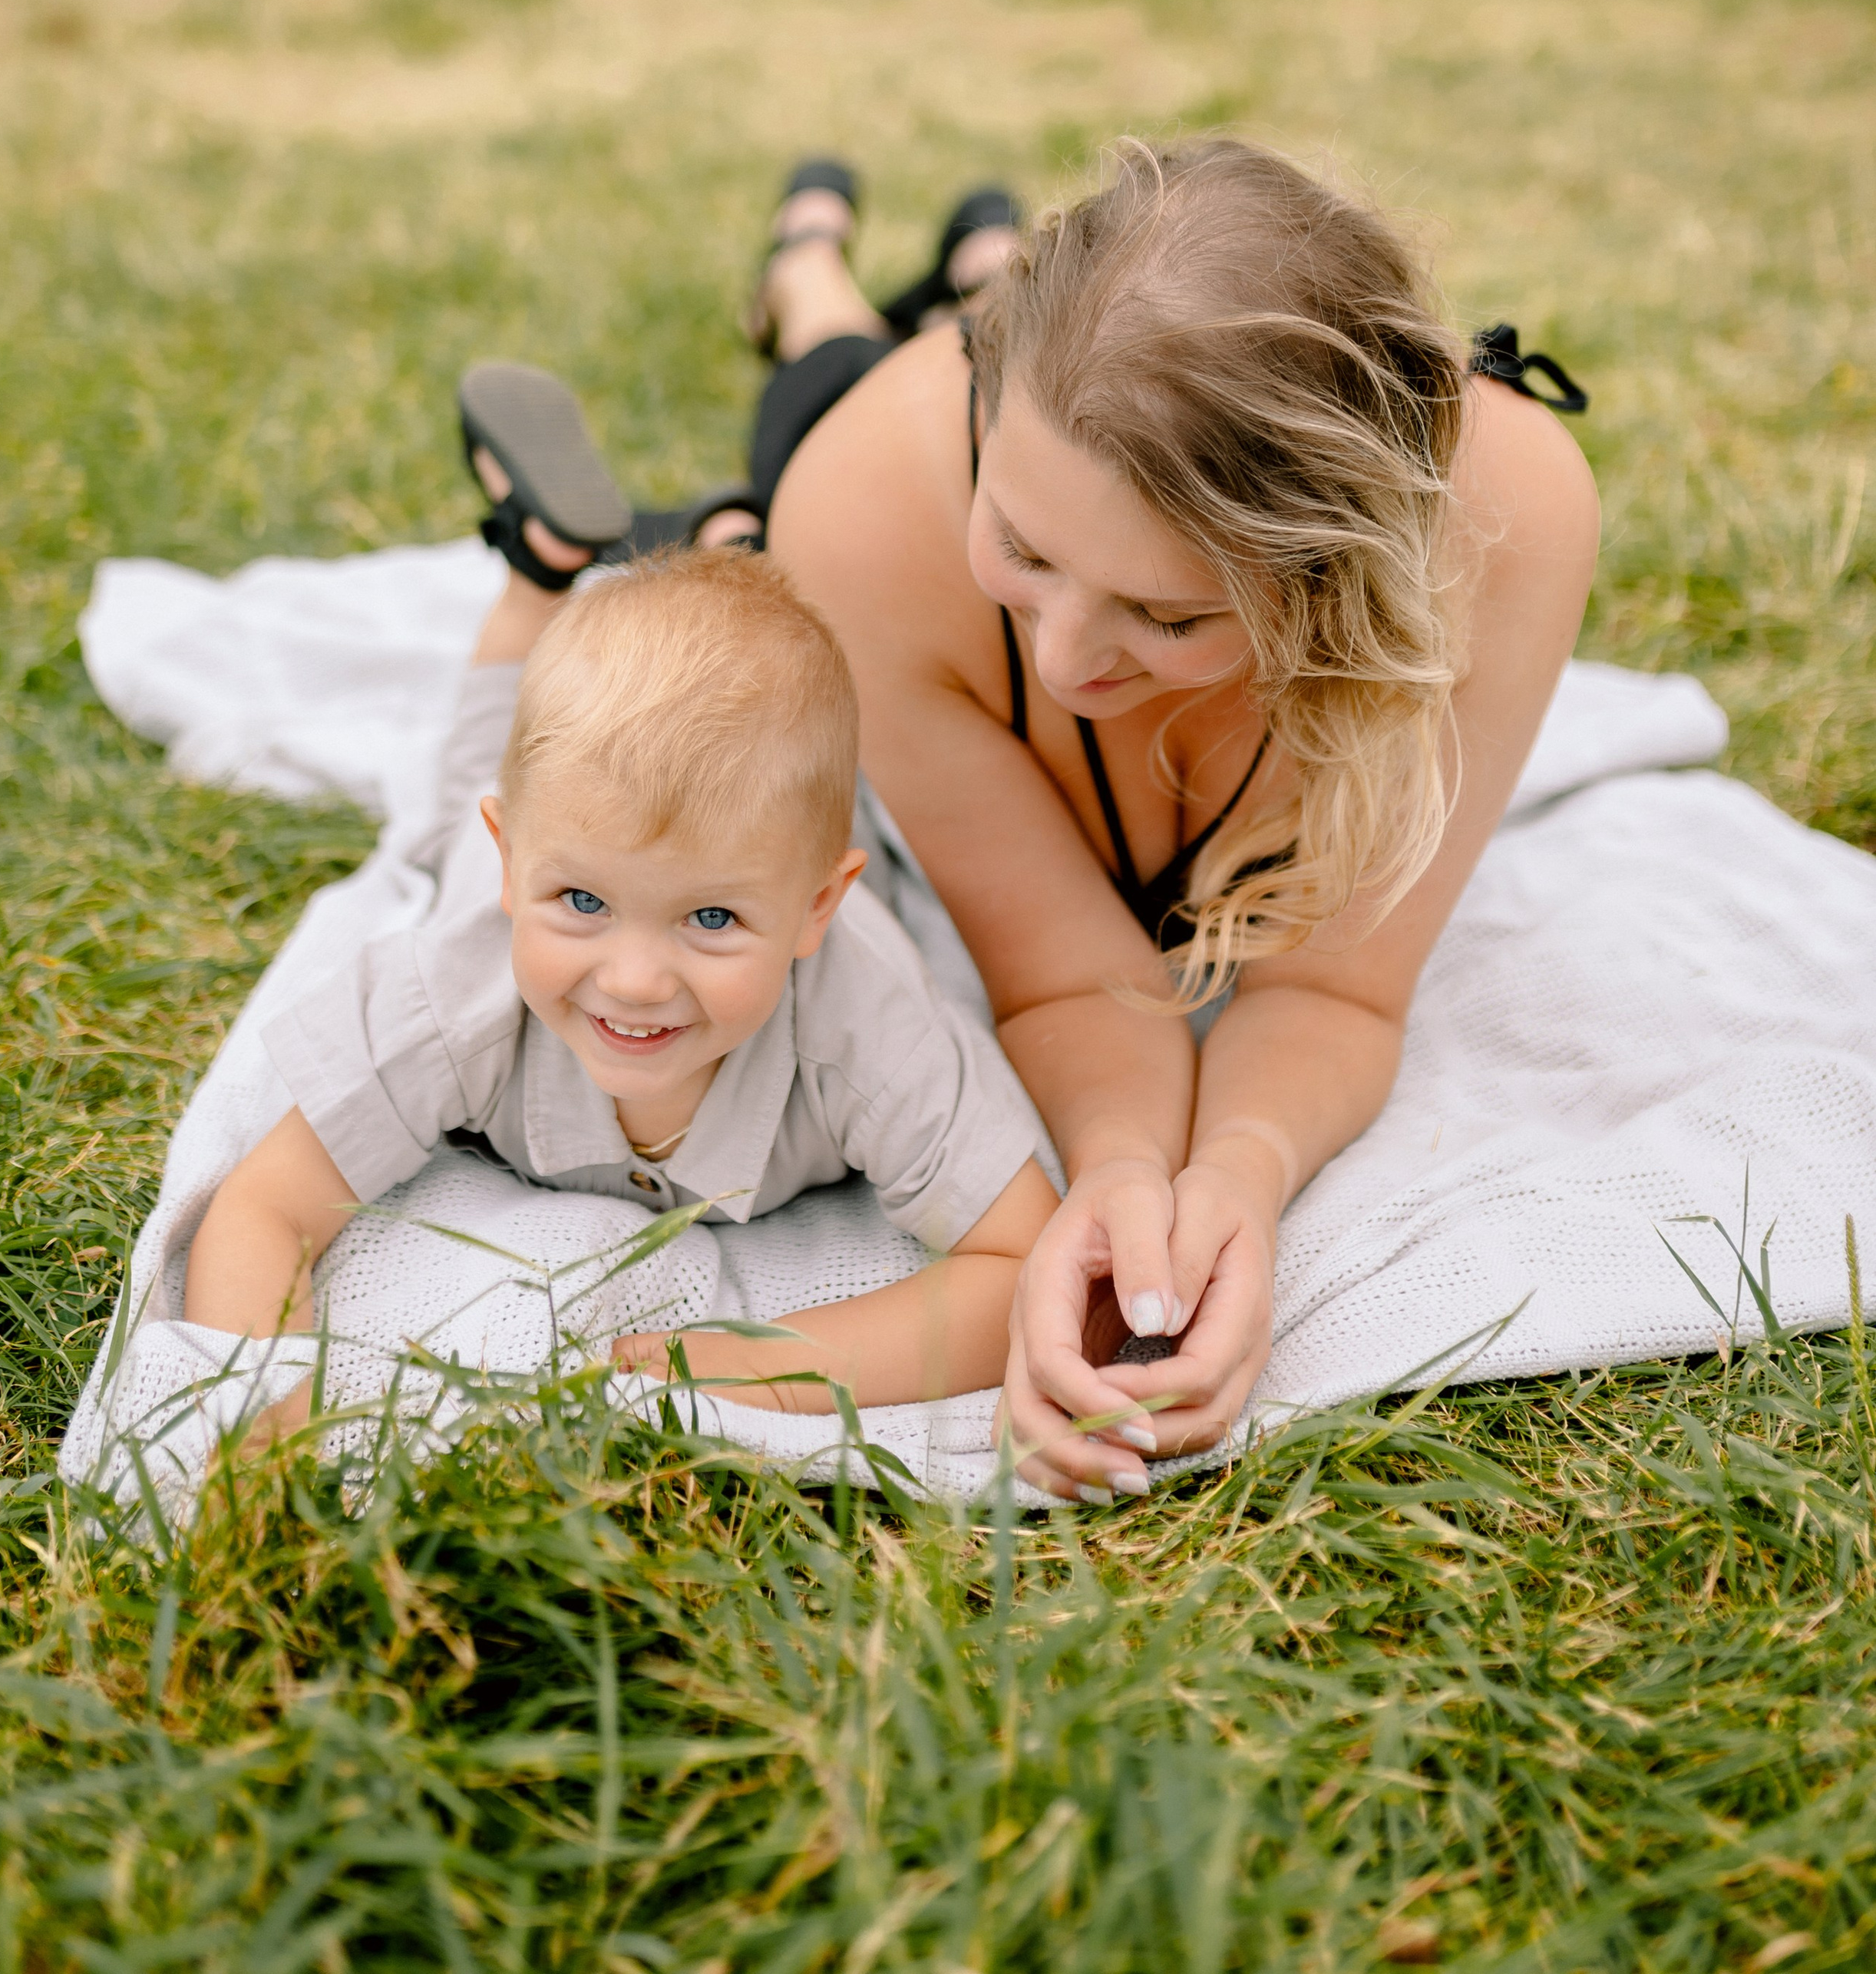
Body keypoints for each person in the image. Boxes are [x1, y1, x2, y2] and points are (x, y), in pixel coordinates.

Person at [429, 135, 1598, 1503]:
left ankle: (949, 265)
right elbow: (1065, 975)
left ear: (1344, 576)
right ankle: (812, 269)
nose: (1061, 666)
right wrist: (1112, 1171)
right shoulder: (876, 509)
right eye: (1027, 555)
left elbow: (1336, 990)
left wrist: (1234, 1179)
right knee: (793, 455)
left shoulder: (1508, 523)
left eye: (1168, 615)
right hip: (865, 452)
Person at [185, 548, 1060, 1420]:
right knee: (459, 791)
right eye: (582, 901)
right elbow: (267, 1204)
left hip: (761, 837)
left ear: (817, 906)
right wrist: (267, 1442)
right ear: (515, 863)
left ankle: (727, 539)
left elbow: (1022, 1263)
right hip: (498, 844)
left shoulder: (867, 1031)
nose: (635, 981)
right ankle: (538, 567)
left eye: (711, 918)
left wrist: (758, 1365)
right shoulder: (452, 996)